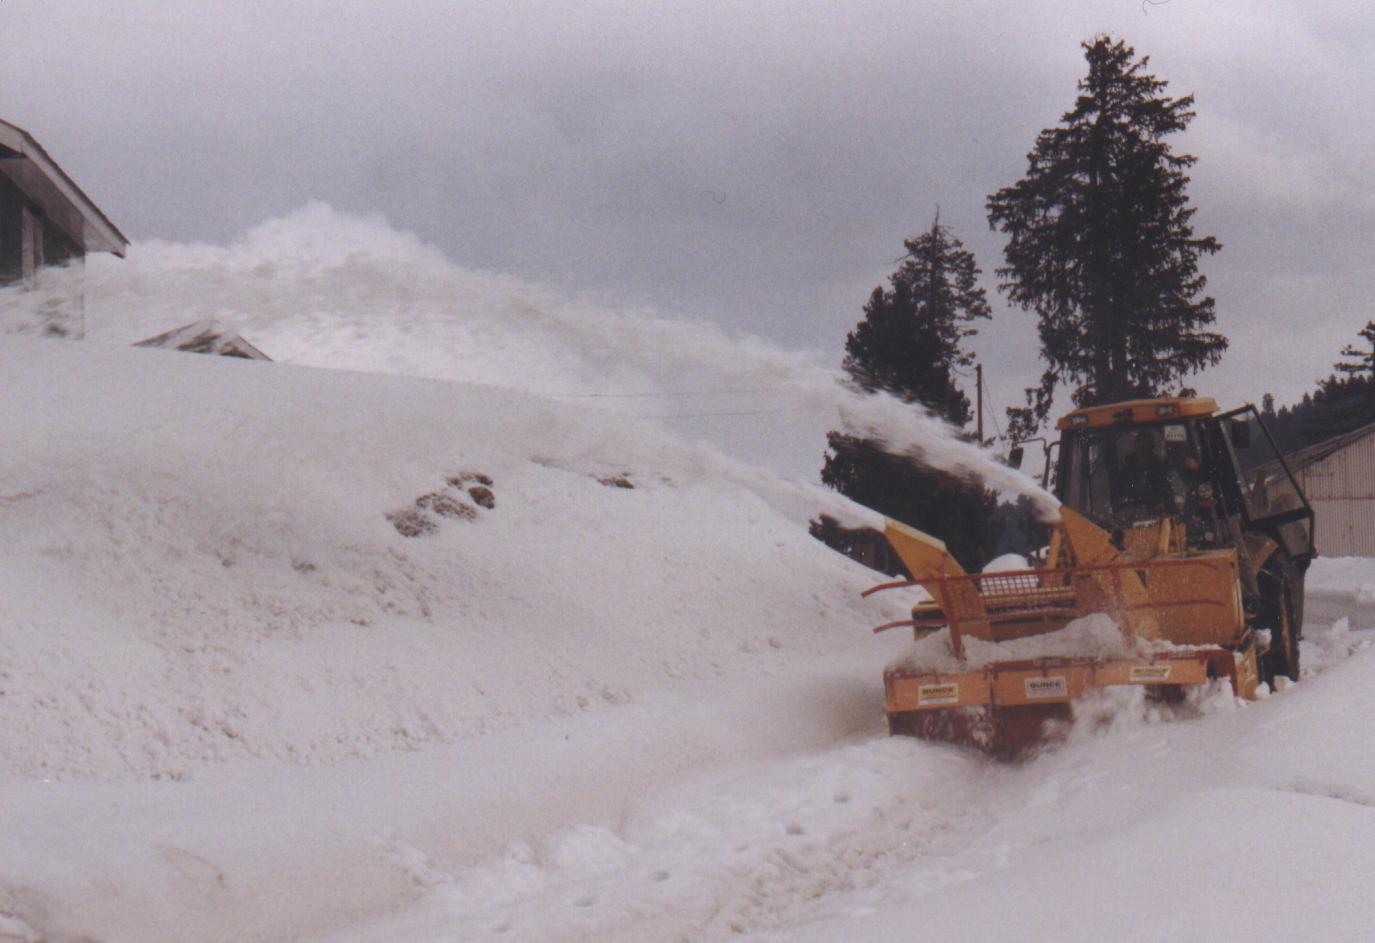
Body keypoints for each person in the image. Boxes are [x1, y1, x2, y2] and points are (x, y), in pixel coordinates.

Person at [1119, 431, 1175, 513]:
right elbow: (1122, 496)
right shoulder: (1126, 472)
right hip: (1133, 515)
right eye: (1141, 446)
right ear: (1135, 447)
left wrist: (1163, 504)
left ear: (1152, 447)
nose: (1143, 449)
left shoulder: (1160, 469)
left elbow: (1168, 494)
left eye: (1146, 446)